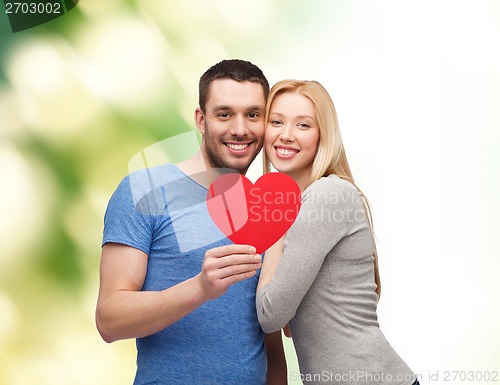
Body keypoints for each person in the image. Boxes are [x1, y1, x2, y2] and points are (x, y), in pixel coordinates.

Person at [96, 59, 287, 385]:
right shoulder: (145, 190)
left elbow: (269, 338)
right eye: (224, 114)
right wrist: (199, 288)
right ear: (201, 119)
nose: (240, 129)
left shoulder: (271, 209)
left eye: (253, 115)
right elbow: (109, 320)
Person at [256, 80, 418, 385]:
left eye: (303, 124)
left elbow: (271, 315)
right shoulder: (310, 201)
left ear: (323, 135)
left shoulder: (327, 195)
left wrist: (273, 227)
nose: (286, 134)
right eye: (276, 121)